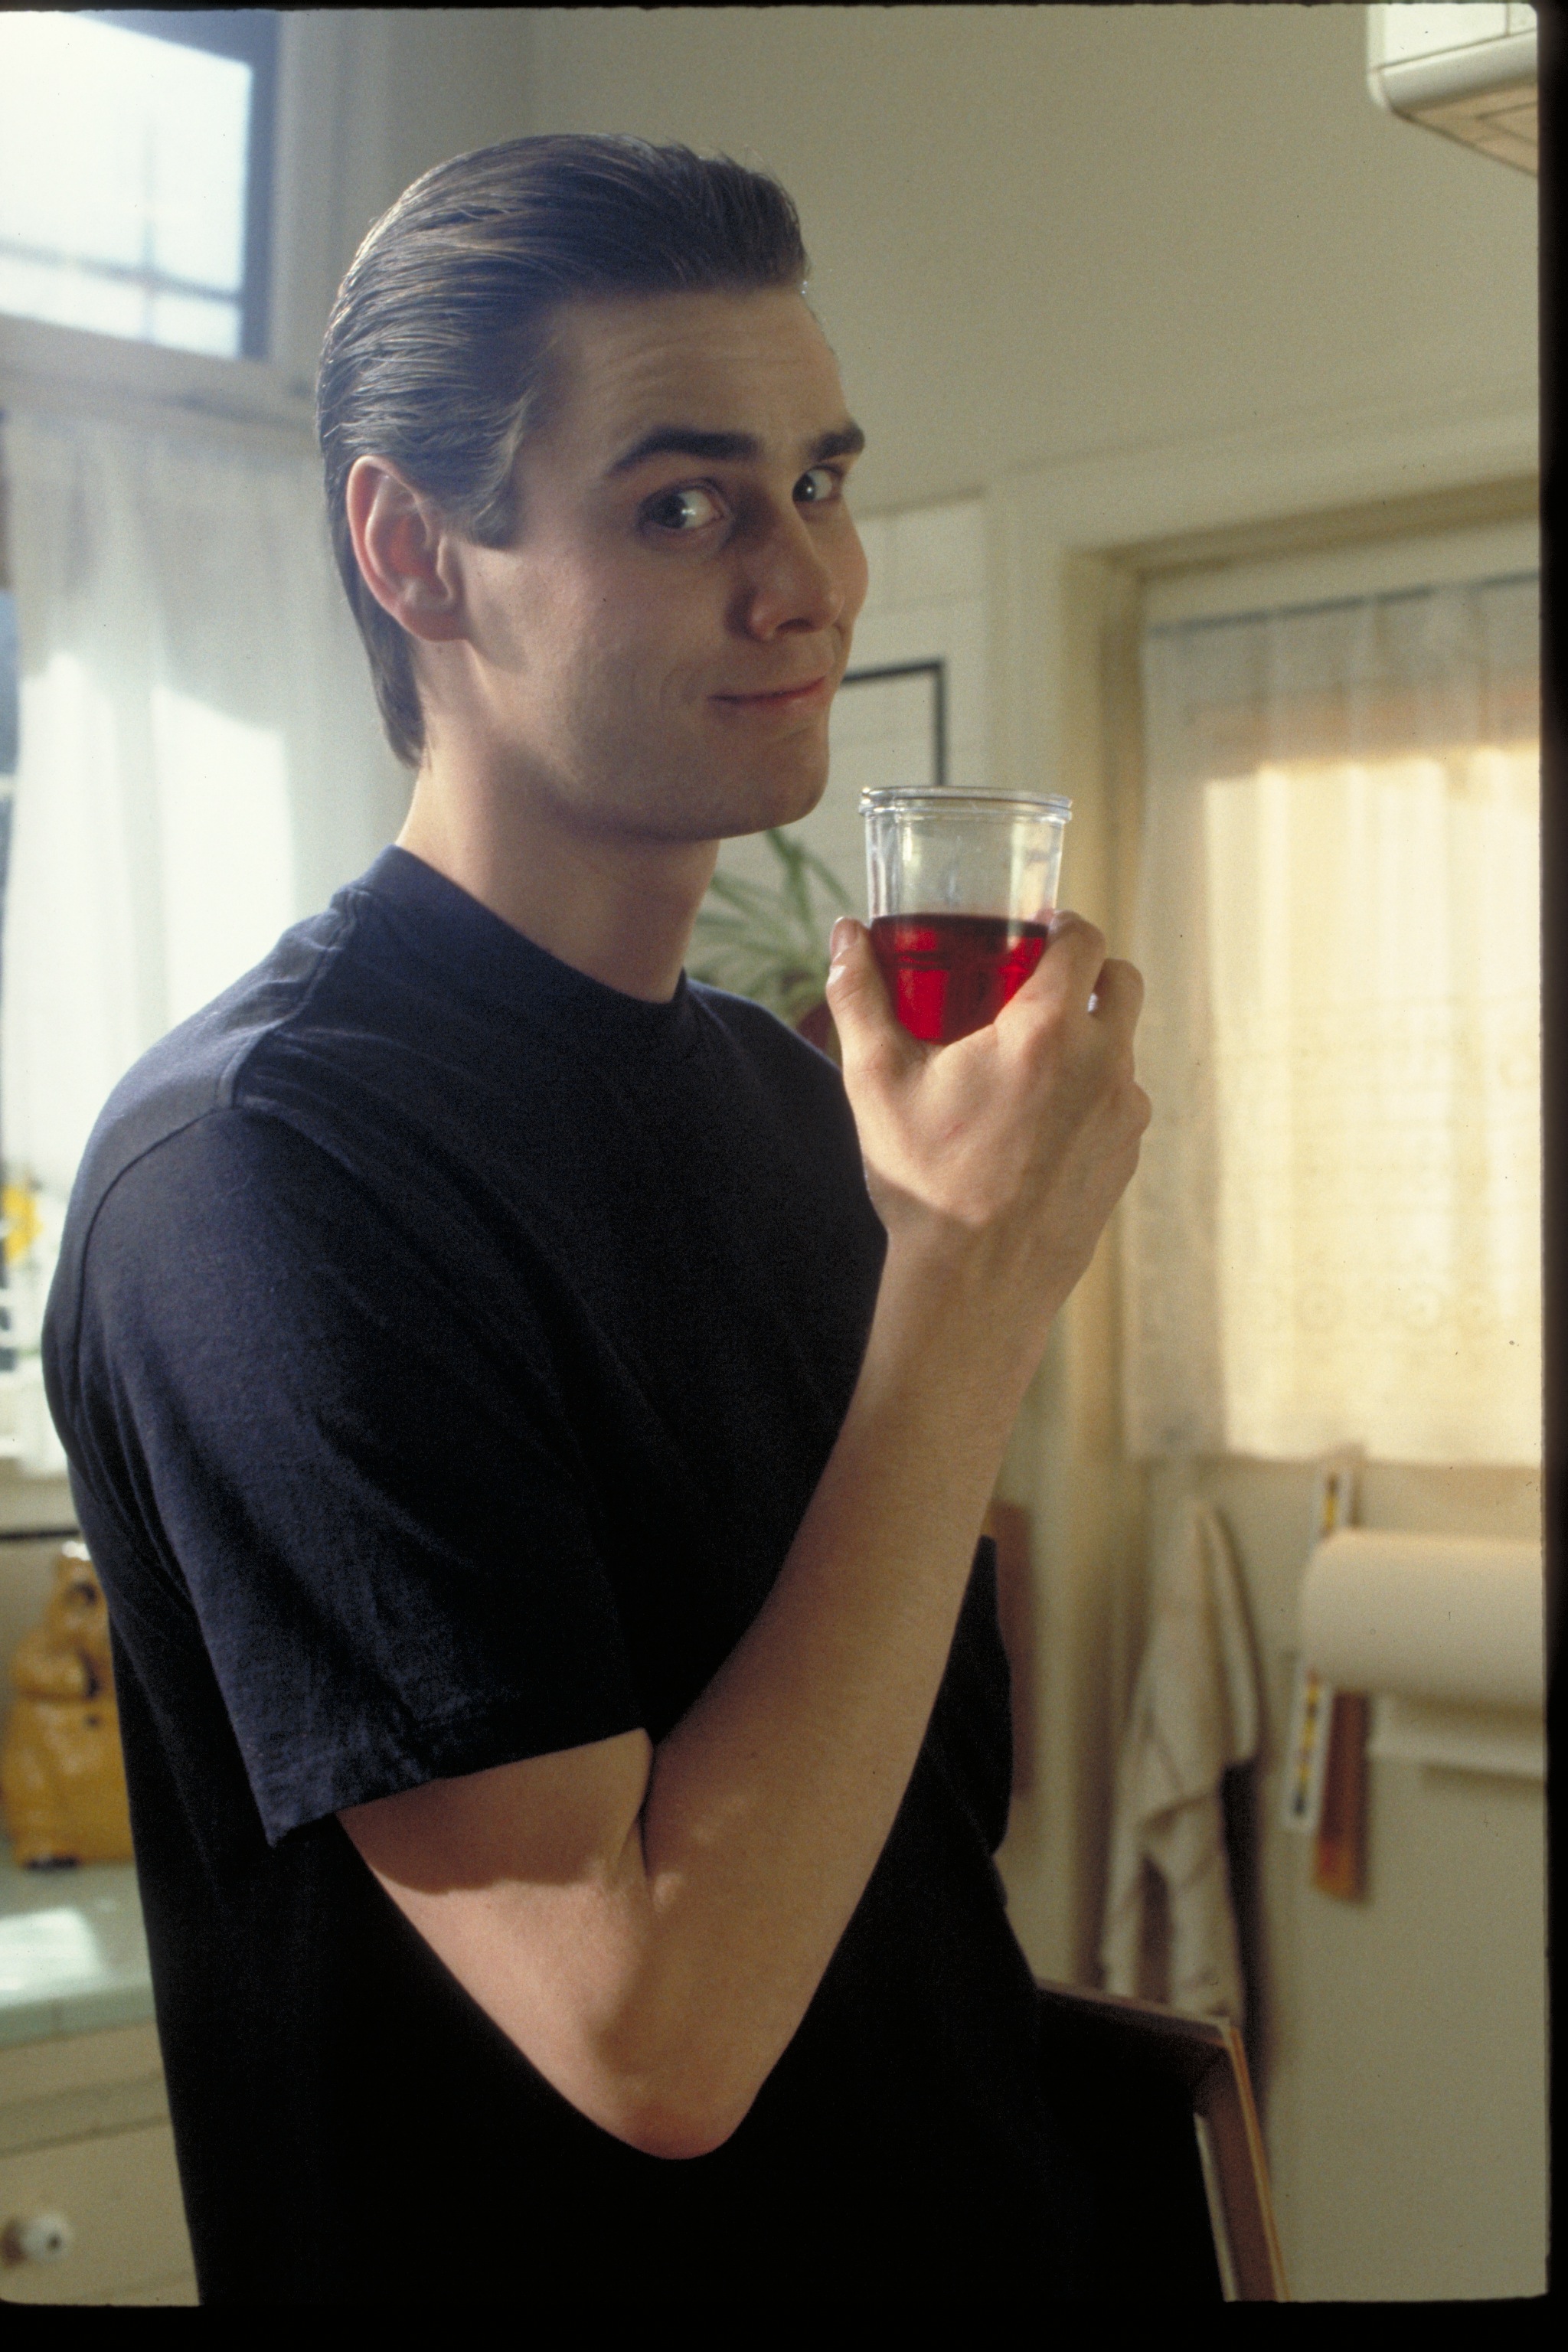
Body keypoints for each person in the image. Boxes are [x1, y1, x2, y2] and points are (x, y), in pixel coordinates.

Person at [42, 136, 1184, 2305]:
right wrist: (971, 1288)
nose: (807, 581)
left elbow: (907, 1852)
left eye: (818, 482)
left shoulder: (792, 1105)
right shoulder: (266, 1175)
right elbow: (652, 2038)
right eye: (683, 507)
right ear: (417, 552)